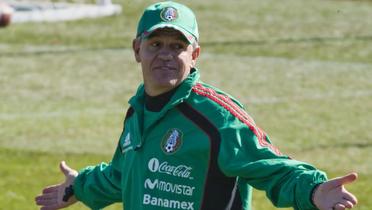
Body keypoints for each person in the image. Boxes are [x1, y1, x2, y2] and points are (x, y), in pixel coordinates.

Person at [35, 1, 358, 210]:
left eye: (177, 46)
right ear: (137, 49)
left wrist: (315, 191)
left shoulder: (216, 117)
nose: (166, 54)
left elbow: (272, 169)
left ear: (195, 55)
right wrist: (78, 187)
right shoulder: (138, 111)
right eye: (156, 44)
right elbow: (125, 175)